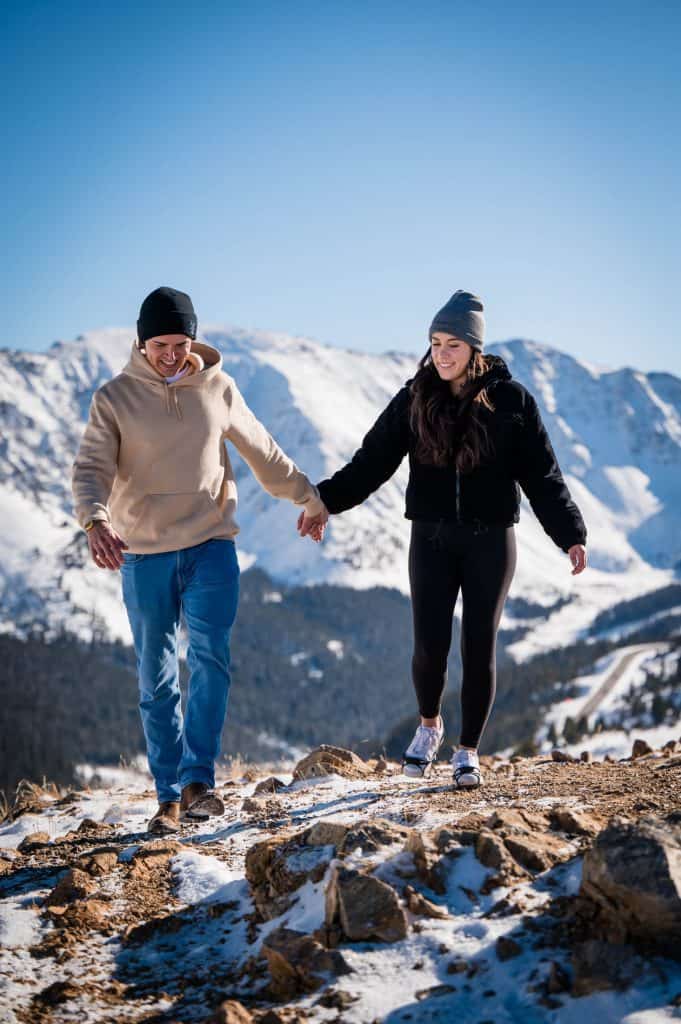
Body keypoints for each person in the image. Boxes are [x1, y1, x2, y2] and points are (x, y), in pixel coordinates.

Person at [299, 290, 587, 788]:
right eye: (435, 342)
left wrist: (570, 534)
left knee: (479, 645)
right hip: (430, 539)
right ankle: (428, 727)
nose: (442, 354)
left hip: (491, 541)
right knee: (429, 646)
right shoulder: (415, 398)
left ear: (475, 350)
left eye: (453, 344)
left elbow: (543, 476)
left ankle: (468, 751)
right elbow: (372, 462)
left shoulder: (511, 401)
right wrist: (325, 500)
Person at [72, 286, 325, 834]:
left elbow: (262, 450)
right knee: (156, 678)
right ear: (141, 342)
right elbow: (91, 467)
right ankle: (166, 796)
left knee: (211, 661)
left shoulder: (217, 386)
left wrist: (309, 496)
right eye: (159, 343)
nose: (169, 354)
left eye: (179, 342)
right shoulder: (114, 398)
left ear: (194, 338)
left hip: (212, 545)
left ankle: (197, 783)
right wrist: (95, 520)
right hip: (143, 554)